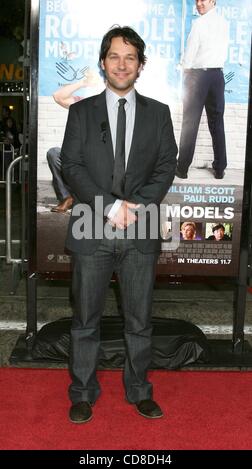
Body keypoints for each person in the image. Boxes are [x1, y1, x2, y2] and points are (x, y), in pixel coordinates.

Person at [61, 26, 178, 423]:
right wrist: (111, 208)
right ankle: (82, 392)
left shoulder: (159, 113)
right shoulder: (81, 112)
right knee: (85, 319)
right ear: (103, 62)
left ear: (141, 65)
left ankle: (140, 390)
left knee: (139, 319)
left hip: (140, 229)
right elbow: (72, 166)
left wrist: (137, 207)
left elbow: (166, 167)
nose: (122, 64)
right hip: (91, 226)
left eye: (130, 57)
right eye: (114, 56)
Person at [176, 0, 229, 180]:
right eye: (197, 0)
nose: (199, 4)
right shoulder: (224, 23)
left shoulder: (198, 24)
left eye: (203, 0)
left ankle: (182, 169)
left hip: (198, 76)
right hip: (217, 76)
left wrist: (183, 68)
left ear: (213, 1)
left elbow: (190, 55)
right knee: (217, 123)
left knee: (190, 123)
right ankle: (220, 168)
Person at [47, 71, 100, 212]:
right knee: (54, 153)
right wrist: (83, 83)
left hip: (100, 161)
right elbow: (58, 97)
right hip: (79, 157)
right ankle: (66, 198)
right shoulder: (84, 104)